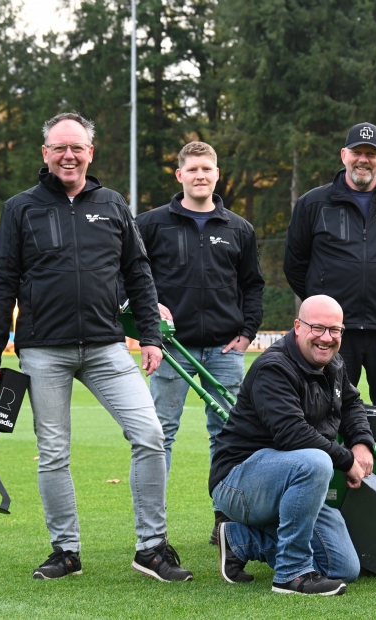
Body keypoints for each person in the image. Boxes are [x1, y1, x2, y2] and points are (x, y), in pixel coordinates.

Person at [0, 112, 192, 582]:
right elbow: (1, 282)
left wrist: (151, 336)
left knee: (150, 436)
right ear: (46, 153)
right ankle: (66, 551)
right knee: (54, 452)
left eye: (77, 147)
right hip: (43, 351)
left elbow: (138, 272)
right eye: (60, 147)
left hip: (106, 346)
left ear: (90, 153)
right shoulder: (20, 208)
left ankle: (152, 549)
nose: (69, 155)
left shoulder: (113, 204)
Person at [210, 295, 374, 596]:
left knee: (343, 568)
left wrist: (362, 442)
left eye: (335, 330)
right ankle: (291, 574)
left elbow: (351, 404)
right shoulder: (274, 367)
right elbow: (292, 434)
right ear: (298, 326)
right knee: (316, 461)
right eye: (318, 328)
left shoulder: (333, 362)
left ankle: (239, 540)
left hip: (293, 479)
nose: (326, 338)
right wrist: (347, 460)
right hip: (238, 481)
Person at [283, 122, 376, 408]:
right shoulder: (312, 203)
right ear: (344, 155)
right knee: (326, 413)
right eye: (356, 152)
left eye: (371, 153)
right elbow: (295, 264)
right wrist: (323, 304)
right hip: (331, 332)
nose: (363, 159)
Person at [136, 141, 264, 469]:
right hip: (171, 349)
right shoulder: (149, 224)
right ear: (179, 175)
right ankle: (153, 506)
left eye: (206, 169)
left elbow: (252, 285)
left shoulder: (240, 228)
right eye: (192, 169)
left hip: (225, 351)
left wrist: (247, 332)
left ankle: (226, 503)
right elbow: (128, 277)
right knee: (159, 434)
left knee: (228, 436)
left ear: (217, 174)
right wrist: (149, 309)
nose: (200, 175)